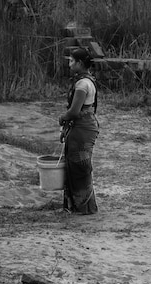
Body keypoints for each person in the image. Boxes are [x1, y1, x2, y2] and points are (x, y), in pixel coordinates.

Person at [59, 48, 99, 215]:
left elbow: (74, 111)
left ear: (80, 63)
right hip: (82, 127)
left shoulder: (82, 84)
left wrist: (62, 118)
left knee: (79, 165)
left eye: (72, 61)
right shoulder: (87, 81)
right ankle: (80, 205)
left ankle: (83, 206)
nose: (69, 65)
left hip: (82, 128)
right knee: (77, 165)